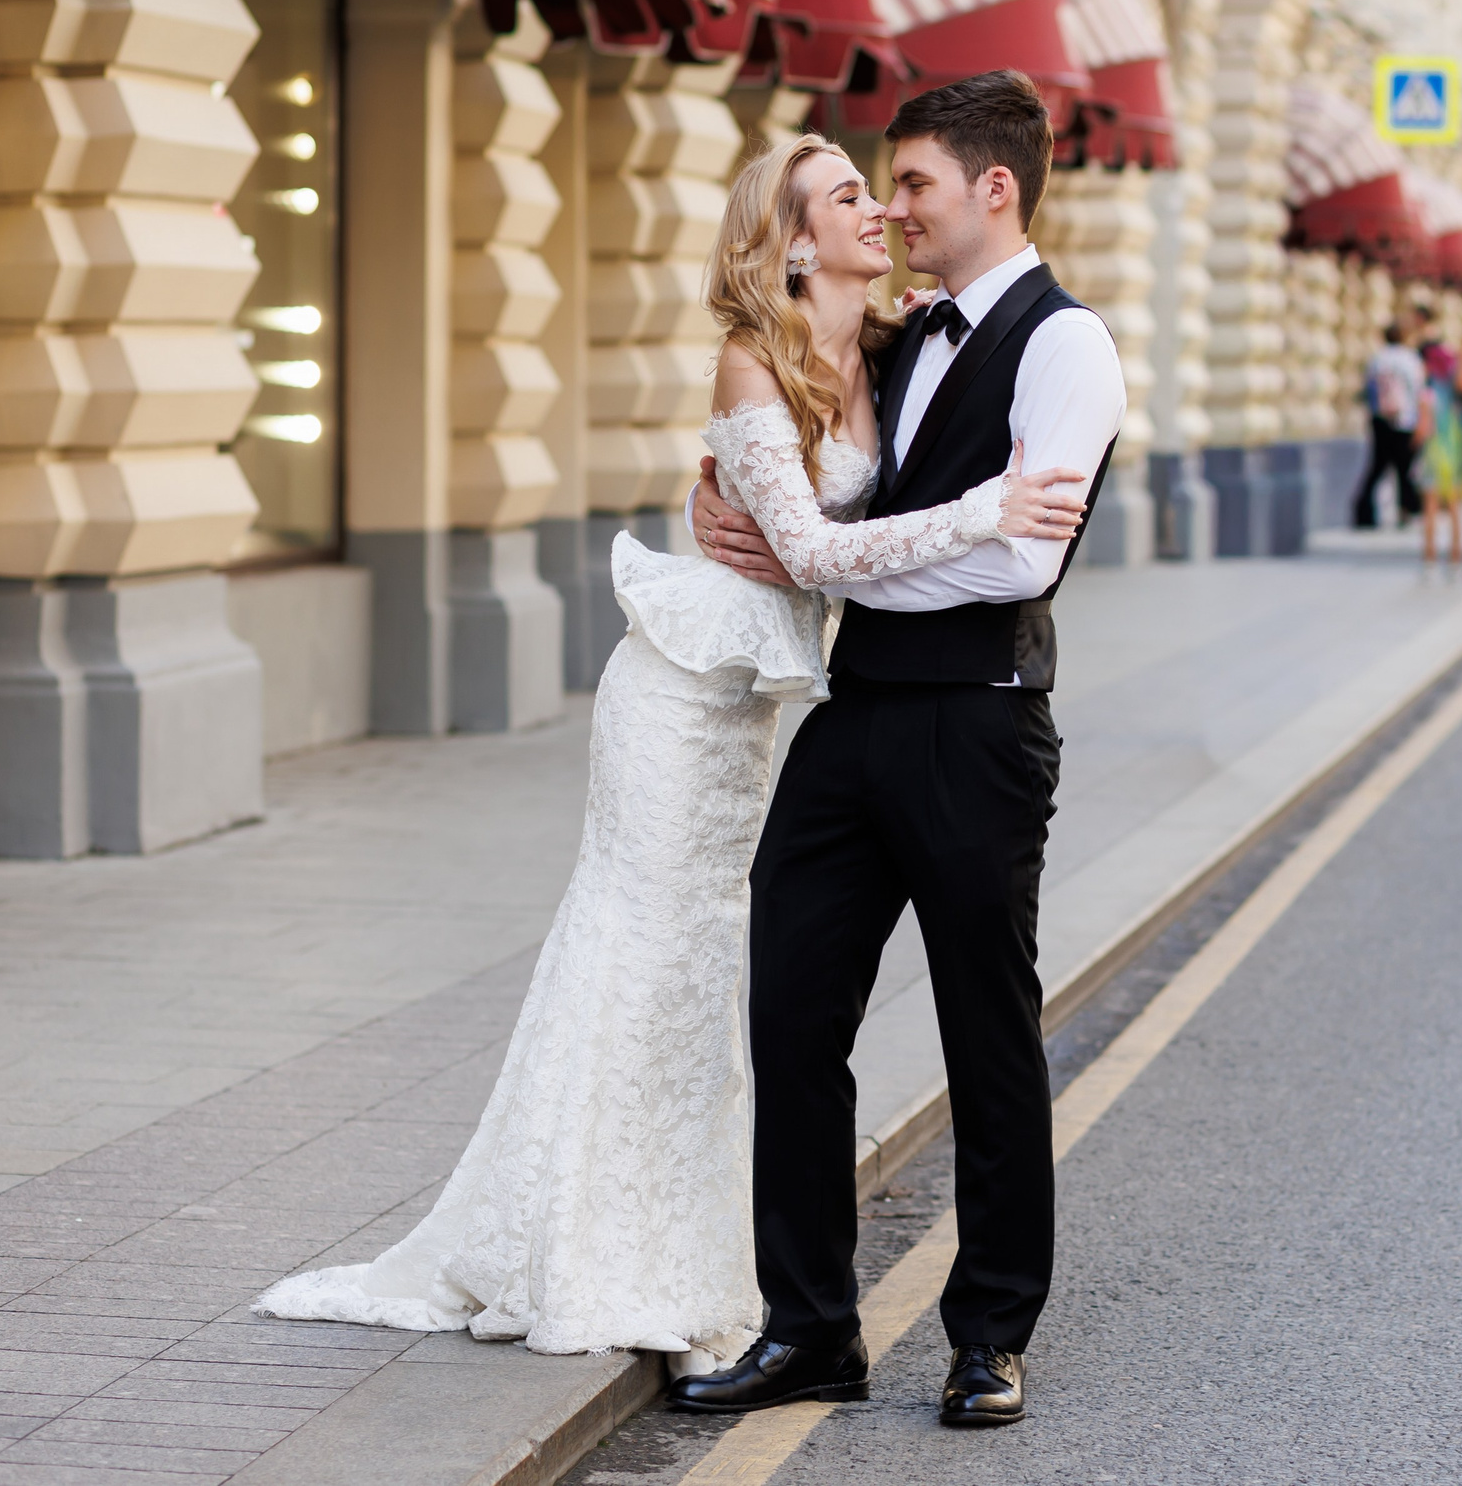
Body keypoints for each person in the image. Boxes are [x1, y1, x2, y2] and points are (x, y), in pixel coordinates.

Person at [250, 133, 1090, 1366]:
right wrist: (957, 511)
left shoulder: (902, 347)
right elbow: (807, 549)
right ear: (794, 240)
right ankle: (583, 1241)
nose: (881, 210)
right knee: (640, 951)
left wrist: (753, 511)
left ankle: (702, 1251)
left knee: (713, 982)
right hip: (680, 697)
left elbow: (843, 511)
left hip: (767, 709)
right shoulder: (755, 358)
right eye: (853, 193)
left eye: (890, 187)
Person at [673, 71, 1126, 1428]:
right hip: (848, 717)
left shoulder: (1066, 346)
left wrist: (831, 573)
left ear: (996, 186)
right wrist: (732, 518)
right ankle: (809, 1325)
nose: (898, 206)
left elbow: (1020, 560)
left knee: (987, 1031)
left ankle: (990, 1331)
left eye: (915, 182)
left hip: (978, 723)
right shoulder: (893, 333)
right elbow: (798, 455)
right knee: (792, 1016)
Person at [1353, 323, 1426, 528]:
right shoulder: (1410, 359)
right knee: (1405, 468)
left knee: (1377, 467)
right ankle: (1406, 510)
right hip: (1405, 420)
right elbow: (1418, 390)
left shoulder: (1377, 359)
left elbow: (1368, 389)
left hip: (1380, 419)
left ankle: (1364, 511)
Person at [1416, 339, 1462, 570]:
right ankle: (1456, 556)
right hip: (1455, 454)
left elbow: (1424, 428)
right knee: (1455, 508)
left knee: (1431, 509)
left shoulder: (1428, 393)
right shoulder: (1454, 393)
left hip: (1433, 456)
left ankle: (1430, 557)